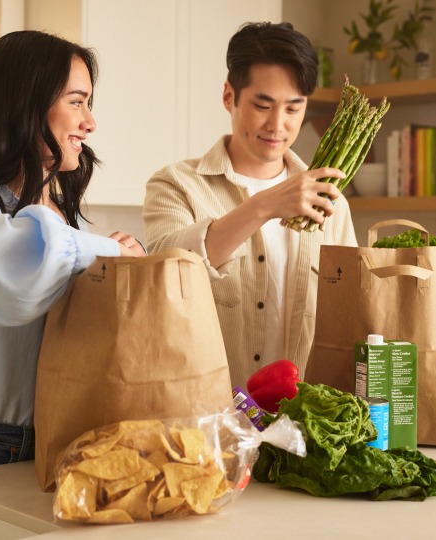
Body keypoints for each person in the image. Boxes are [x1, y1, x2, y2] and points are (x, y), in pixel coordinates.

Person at [0, 30, 146, 474]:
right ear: (27, 102)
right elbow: (7, 272)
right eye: (77, 102)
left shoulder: (59, 211)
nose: (90, 122)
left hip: (71, 437)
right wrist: (111, 255)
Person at [143, 22, 357, 389]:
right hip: (208, 416)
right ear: (229, 96)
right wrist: (264, 206)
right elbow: (164, 274)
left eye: (293, 108)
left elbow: (349, 310)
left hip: (303, 420)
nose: (278, 125)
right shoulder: (175, 184)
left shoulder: (329, 197)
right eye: (263, 105)